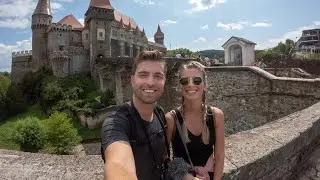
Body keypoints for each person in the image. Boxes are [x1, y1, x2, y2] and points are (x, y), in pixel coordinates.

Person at [101, 50, 170, 180]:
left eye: (158, 76)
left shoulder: (160, 114)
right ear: (132, 80)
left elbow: (163, 161)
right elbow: (118, 164)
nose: (150, 82)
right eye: (143, 75)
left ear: (164, 81)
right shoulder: (117, 122)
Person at [165, 61, 225, 180]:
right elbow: (163, 157)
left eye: (197, 80)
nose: (190, 85)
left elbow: (219, 156)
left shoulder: (216, 116)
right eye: (184, 81)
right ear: (179, 86)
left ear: (205, 85)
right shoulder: (171, 118)